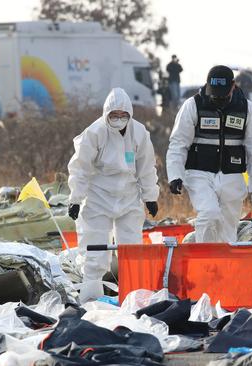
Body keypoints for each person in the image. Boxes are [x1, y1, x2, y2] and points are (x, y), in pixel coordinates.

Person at [67, 87, 159, 303]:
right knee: (95, 251)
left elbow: (146, 167)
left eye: (122, 115)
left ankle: (133, 298)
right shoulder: (94, 133)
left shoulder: (139, 133)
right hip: (98, 197)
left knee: (131, 250)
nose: (118, 119)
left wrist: (150, 196)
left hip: (128, 198)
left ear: (130, 114)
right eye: (114, 115)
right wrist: (75, 199)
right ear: (106, 114)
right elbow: (80, 168)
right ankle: (91, 300)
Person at [166, 65, 252, 243]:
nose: (218, 99)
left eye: (223, 95)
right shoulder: (193, 105)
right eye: (214, 95)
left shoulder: (246, 109)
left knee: (228, 227)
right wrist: (175, 175)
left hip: (232, 175)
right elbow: (178, 144)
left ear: (233, 86)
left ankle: (224, 266)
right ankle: (204, 258)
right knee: (209, 214)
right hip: (199, 173)